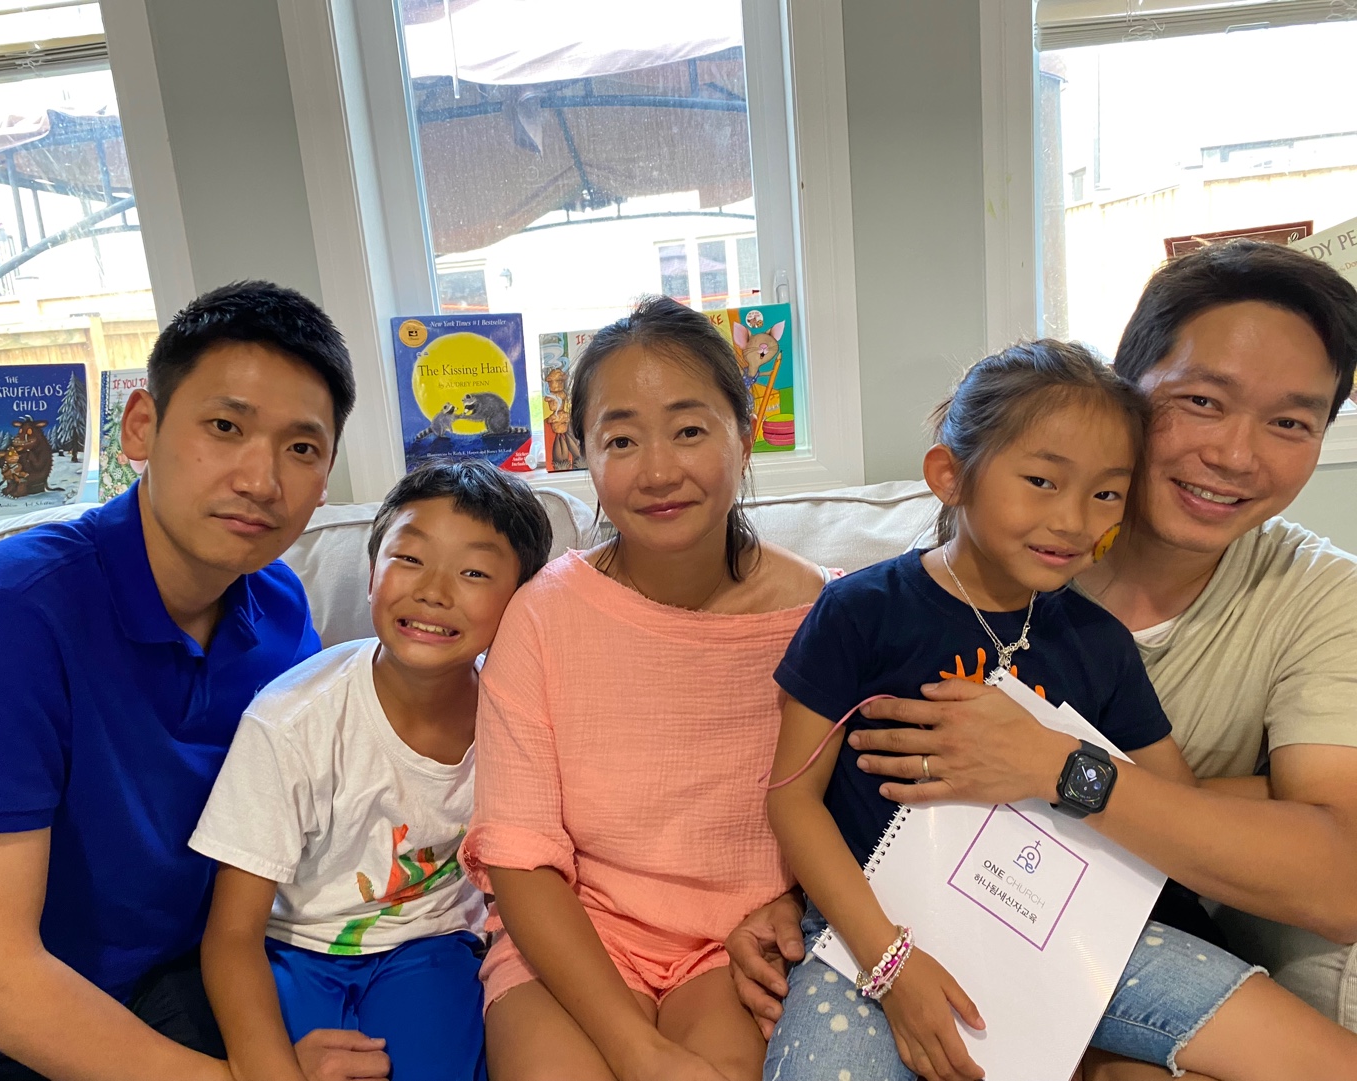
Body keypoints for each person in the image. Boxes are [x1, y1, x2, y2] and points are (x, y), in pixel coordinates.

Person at [724, 240, 1357, 1071]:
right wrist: (841, 923)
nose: (1237, 454)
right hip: (889, 930)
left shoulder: (1118, 634)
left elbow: (1223, 825)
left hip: (1083, 925)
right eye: (1205, 400)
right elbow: (803, 789)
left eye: (1290, 421)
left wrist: (1052, 763)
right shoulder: (881, 600)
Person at [0, 282, 387, 1081]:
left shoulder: (278, 607)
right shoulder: (6, 616)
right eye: (225, 426)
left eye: (302, 448)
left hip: (183, 977)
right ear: (142, 424)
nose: (261, 479)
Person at [457, 295, 829, 1081]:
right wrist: (639, 1050)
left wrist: (794, 905)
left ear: (745, 435)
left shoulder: (831, 618)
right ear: (586, 456)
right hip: (573, 937)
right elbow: (520, 855)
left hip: (734, 946)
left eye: (689, 430)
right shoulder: (543, 616)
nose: (658, 471)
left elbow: (868, 819)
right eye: (621, 439)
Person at [192, 459, 553, 1081]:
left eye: (473, 572)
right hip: (293, 947)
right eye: (409, 559)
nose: (433, 591)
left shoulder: (519, 715)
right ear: (371, 573)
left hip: (433, 944)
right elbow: (230, 937)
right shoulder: (291, 723)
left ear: (521, 601)